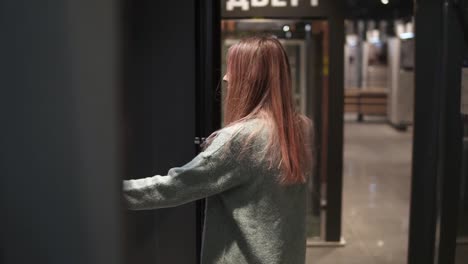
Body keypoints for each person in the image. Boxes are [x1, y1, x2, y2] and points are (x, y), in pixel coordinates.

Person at [123, 35, 313, 264]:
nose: (225, 77)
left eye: (233, 69)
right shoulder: (299, 128)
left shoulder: (241, 139)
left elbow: (174, 187)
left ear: (249, 78)